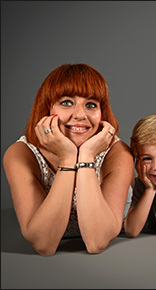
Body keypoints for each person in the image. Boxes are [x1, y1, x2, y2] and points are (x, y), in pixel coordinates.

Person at [2, 63, 134, 256]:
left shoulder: (118, 153)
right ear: (47, 108)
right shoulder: (20, 154)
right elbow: (44, 244)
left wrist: (87, 156)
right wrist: (68, 158)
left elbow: (96, 242)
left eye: (91, 104)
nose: (80, 115)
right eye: (66, 102)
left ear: (102, 113)